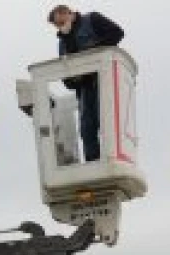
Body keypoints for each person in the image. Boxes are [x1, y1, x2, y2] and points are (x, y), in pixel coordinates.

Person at [48, 5, 125, 162]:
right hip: (84, 89)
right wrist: (73, 79)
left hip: (105, 81)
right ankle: (94, 162)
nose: (60, 27)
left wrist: (92, 51)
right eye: (57, 25)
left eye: (61, 22)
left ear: (68, 13)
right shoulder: (62, 44)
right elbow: (66, 78)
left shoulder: (92, 20)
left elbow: (117, 33)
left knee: (107, 121)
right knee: (87, 129)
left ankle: (111, 160)